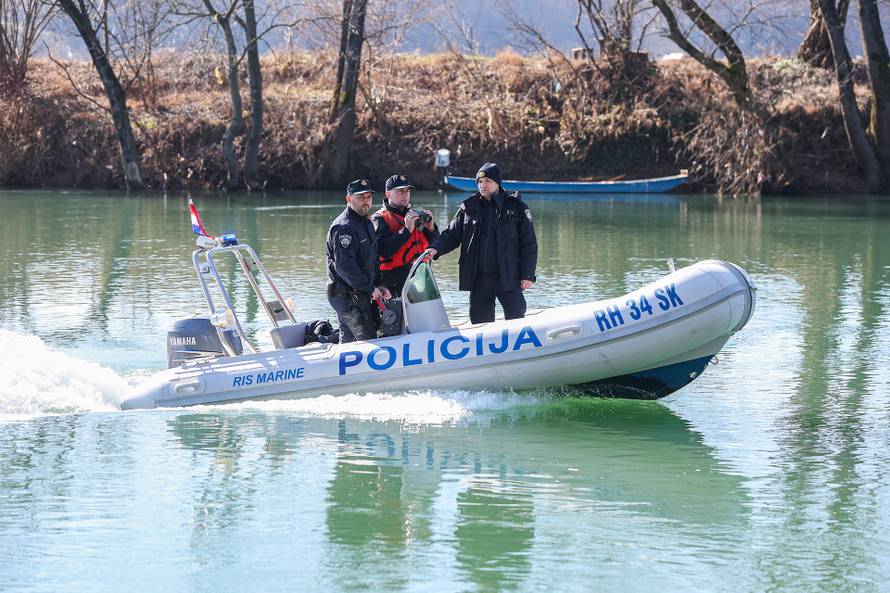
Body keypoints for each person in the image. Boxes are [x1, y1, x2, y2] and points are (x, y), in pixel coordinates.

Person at [425, 162, 537, 324]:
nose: (483, 185)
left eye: (487, 181)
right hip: (479, 278)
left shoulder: (516, 207)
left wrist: (527, 274)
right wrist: (435, 249)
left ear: (498, 182)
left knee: (516, 318)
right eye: (479, 182)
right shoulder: (469, 208)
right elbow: (451, 235)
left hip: (508, 276)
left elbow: (529, 243)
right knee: (479, 322)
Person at [326, 179, 392, 343]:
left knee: (349, 339)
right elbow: (345, 266)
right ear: (349, 199)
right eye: (361, 197)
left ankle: (338, 365)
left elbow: (373, 259)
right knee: (368, 339)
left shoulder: (367, 223)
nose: (366, 201)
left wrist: (378, 284)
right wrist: (369, 288)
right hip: (344, 294)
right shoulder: (343, 228)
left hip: (359, 292)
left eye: (369, 197)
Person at [371, 174, 439, 296]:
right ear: (388, 194)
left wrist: (431, 229)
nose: (405, 194)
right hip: (390, 282)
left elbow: (435, 248)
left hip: (420, 277)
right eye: (400, 191)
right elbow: (384, 250)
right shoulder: (379, 218)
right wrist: (407, 230)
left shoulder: (416, 215)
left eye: (407, 191)